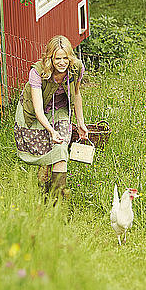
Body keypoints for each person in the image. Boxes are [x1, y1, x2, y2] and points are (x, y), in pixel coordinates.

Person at [14, 35, 89, 199]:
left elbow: (76, 95)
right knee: (46, 146)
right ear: (50, 59)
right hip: (34, 113)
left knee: (61, 148)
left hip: (60, 108)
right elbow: (38, 109)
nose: (62, 62)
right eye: (57, 59)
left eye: (65, 58)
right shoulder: (37, 72)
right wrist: (50, 130)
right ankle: (43, 186)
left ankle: (56, 204)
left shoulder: (76, 68)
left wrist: (80, 123)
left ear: (70, 57)